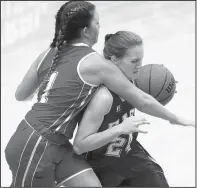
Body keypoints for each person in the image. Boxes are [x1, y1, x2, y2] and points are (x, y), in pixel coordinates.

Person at [5, 1, 194, 187]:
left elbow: (21, 95)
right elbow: (142, 100)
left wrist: (56, 90)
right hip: (37, 142)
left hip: (57, 143)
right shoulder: (95, 63)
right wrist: (174, 118)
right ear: (86, 31)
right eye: (97, 23)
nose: (99, 28)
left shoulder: (49, 53)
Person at [73, 31, 192, 187]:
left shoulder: (132, 79)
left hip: (129, 153)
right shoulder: (103, 98)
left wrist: (165, 97)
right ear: (114, 60)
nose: (140, 66)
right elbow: (79, 146)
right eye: (134, 61)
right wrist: (120, 129)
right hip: (100, 167)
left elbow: (144, 101)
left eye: (141, 59)